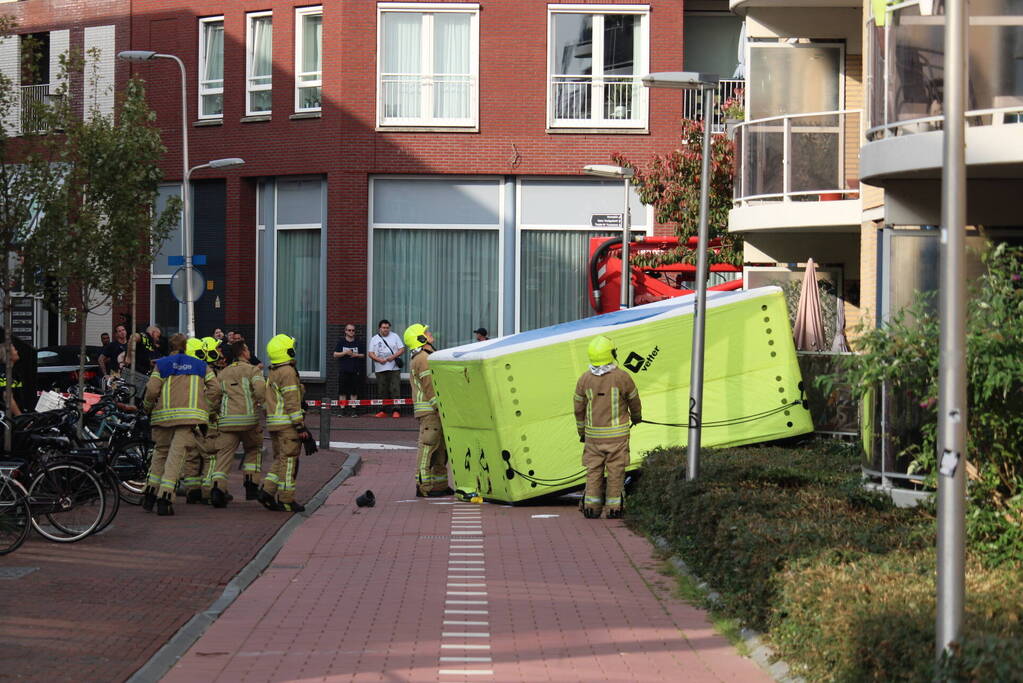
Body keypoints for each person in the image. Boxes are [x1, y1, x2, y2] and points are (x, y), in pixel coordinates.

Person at [140, 333, 220, 516]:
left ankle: (149, 495)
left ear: (170, 347)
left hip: (162, 419)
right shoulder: (201, 365)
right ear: (185, 346)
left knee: (160, 454)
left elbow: (151, 390)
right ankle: (164, 499)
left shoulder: (161, 364)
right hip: (188, 420)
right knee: (175, 459)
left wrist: (147, 408)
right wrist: (205, 408)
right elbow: (216, 389)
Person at [573, 335, 642, 520]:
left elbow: (578, 410)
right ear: (611, 353)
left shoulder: (584, 380)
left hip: (593, 438)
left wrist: (582, 432)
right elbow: (634, 401)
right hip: (617, 438)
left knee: (593, 471)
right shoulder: (622, 377)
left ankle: (591, 508)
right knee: (616, 471)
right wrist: (637, 418)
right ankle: (614, 509)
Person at [204, 340, 266, 506]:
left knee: (223, 456)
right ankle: (251, 485)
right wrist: (266, 408)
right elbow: (261, 391)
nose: (249, 352)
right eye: (247, 349)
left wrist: (212, 413)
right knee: (253, 449)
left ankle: (217, 489)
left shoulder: (223, 373)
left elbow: (215, 395)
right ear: (243, 352)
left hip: (227, 421)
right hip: (249, 421)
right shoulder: (253, 370)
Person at [260, 334, 310, 513]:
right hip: (287, 424)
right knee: (289, 462)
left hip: (274, 423)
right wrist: (300, 425)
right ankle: (286, 500)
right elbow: (291, 401)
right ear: (286, 351)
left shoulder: (273, 371)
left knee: (280, 459)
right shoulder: (287, 372)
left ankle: (267, 491)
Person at [405, 324, 452, 497]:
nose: (430, 334)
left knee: (440, 450)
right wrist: (439, 408)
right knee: (428, 448)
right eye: (426, 332)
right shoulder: (423, 358)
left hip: (433, 411)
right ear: (420, 338)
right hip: (431, 412)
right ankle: (423, 486)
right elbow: (430, 386)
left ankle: (439, 486)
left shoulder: (425, 356)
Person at [368, 319, 404, 419]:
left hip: (394, 368)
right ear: (379, 328)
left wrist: (393, 357)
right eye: (383, 328)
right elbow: (370, 353)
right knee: (382, 390)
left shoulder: (395, 336)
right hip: (380, 369)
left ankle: (396, 410)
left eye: (387, 328)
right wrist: (379, 359)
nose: (385, 330)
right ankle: (382, 410)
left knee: (395, 389)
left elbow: (402, 349)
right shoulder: (374, 339)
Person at [333, 324, 365, 417]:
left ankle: (353, 409)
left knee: (354, 391)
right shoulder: (341, 342)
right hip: (343, 370)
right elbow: (335, 354)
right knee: (342, 391)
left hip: (355, 370)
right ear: (345, 331)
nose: (351, 332)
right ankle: (342, 410)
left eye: (353, 330)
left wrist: (356, 355)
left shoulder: (358, 343)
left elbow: (363, 355)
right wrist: (345, 352)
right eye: (349, 330)